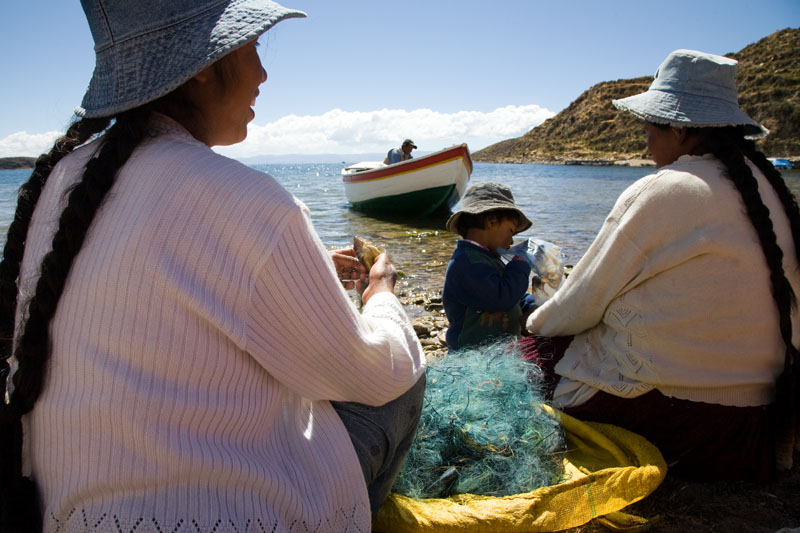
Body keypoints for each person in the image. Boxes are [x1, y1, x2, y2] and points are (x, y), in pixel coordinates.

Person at [0, 1, 426, 531]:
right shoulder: (248, 200)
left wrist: (307, 266)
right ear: (204, 63)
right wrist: (382, 295)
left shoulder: (59, 183)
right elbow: (370, 373)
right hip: (233, 517)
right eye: (252, 48)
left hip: (67, 512)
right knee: (405, 370)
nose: (264, 73)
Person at [524, 49, 800, 482]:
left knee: (524, 356)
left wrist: (532, 320)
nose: (646, 142)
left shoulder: (664, 190)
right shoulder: (768, 188)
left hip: (677, 420)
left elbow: (579, 305)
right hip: (754, 426)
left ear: (677, 128)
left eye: (649, 128)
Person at [442, 182, 537, 350]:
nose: (512, 240)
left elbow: (508, 294)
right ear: (491, 222)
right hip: (471, 355)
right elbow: (500, 298)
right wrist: (520, 264)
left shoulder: (487, 259)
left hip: (497, 351)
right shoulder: (466, 263)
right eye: (510, 231)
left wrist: (530, 304)